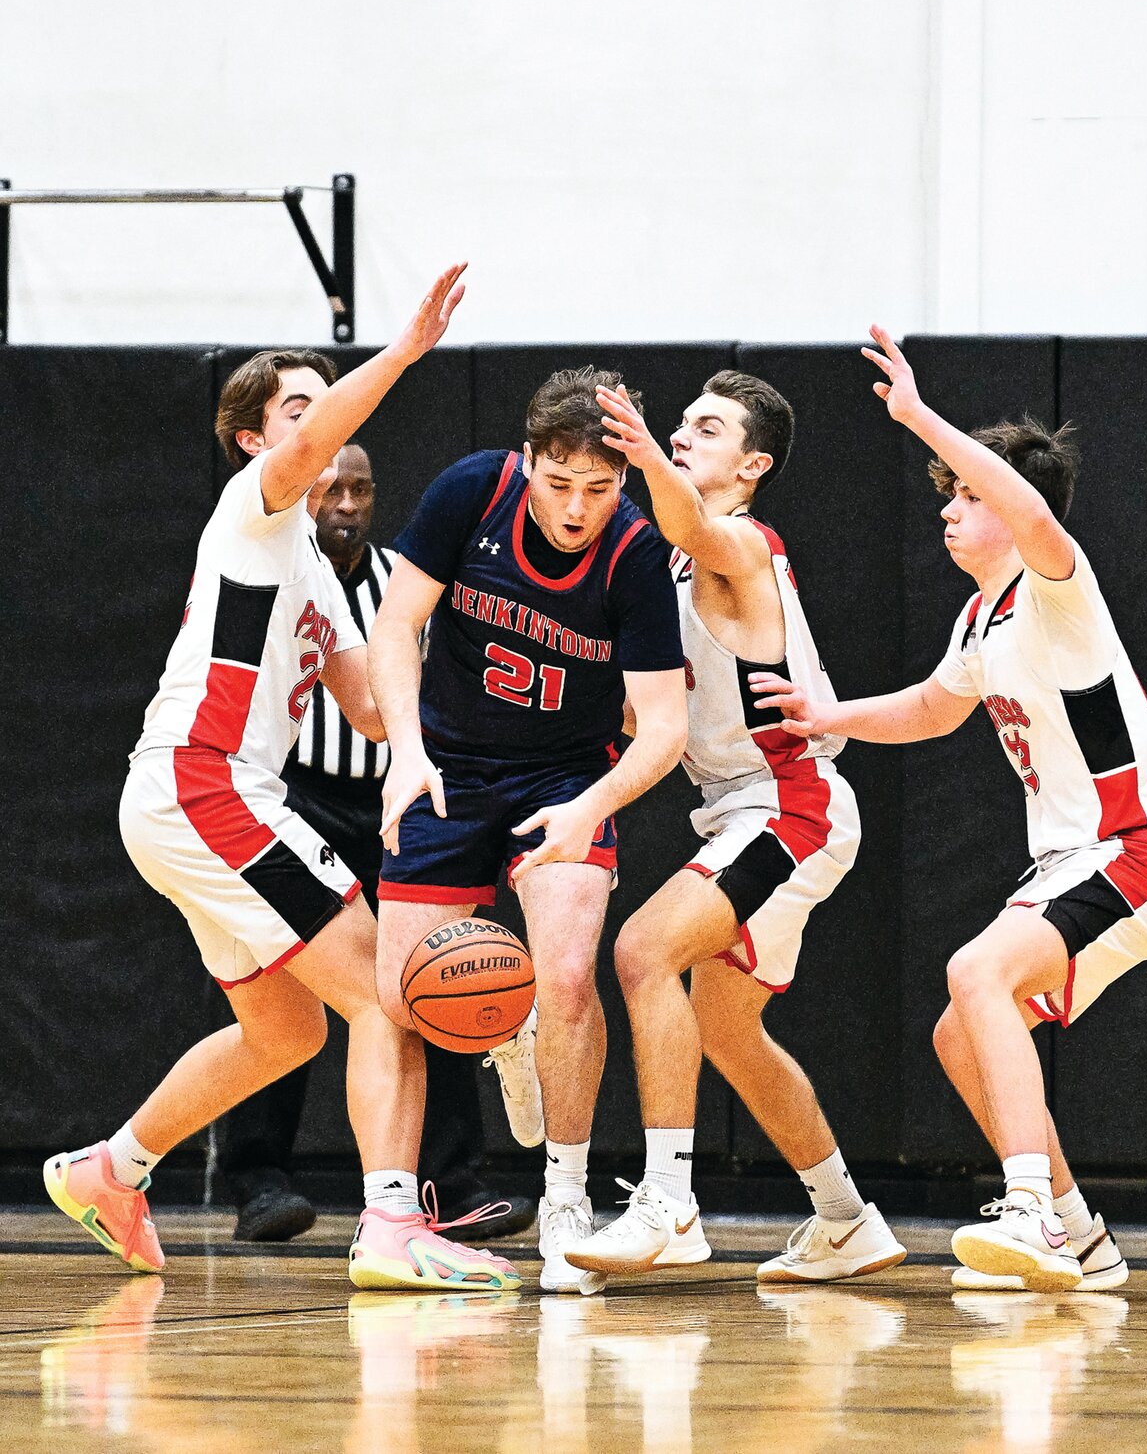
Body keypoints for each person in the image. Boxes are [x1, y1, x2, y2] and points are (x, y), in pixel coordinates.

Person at [44, 265, 521, 1293]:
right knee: (387, 995)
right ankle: (393, 1224)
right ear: (254, 438)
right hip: (203, 784)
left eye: (323, 396)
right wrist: (398, 355)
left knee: (288, 1026)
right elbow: (312, 448)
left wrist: (479, 744)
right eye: (297, 407)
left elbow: (367, 707)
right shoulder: (251, 512)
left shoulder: (316, 562)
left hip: (202, 800)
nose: (317, 424)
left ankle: (108, 1170)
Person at [750, 326, 1147, 1292]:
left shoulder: (1054, 586)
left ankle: (1030, 1208)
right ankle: (1081, 1234)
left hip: (1140, 849)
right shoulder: (978, 617)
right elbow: (928, 708)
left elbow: (1031, 509)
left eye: (964, 494)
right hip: (1077, 864)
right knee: (961, 1029)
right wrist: (828, 714)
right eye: (949, 494)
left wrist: (918, 416)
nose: (949, 509)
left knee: (974, 969)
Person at [559, 373, 906, 1284]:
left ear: (753, 464)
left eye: (704, 429)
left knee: (642, 951)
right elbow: (649, 716)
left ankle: (668, 1202)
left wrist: (633, 445)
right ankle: (846, 1220)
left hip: (790, 802)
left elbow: (689, 526)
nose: (680, 434)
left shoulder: (739, 543)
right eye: (678, 423)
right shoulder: (669, 563)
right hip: (739, 808)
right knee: (728, 1030)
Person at [367, 367, 689, 1293]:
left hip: (565, 775)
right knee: (403, 996)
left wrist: (591, 805)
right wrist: (406, 749)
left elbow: (663, 727)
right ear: (528, 459)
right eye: (561, 485)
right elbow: (396, 628)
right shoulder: (472, 489)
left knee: (569, 975)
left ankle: (567, 1196)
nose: (579, 508)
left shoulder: (633, 551)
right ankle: (506, 1029)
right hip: (448, 766)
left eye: (600, 488)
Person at [217, 442, 535, 1244]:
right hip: (303, 798)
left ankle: (450, 1183)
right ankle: (260, 1179)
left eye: (362, 487)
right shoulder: (272, 567)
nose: (348, 503)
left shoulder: (407, 575)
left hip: (401, 797)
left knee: (437, 980)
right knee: (289, 997)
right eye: (333, 486)